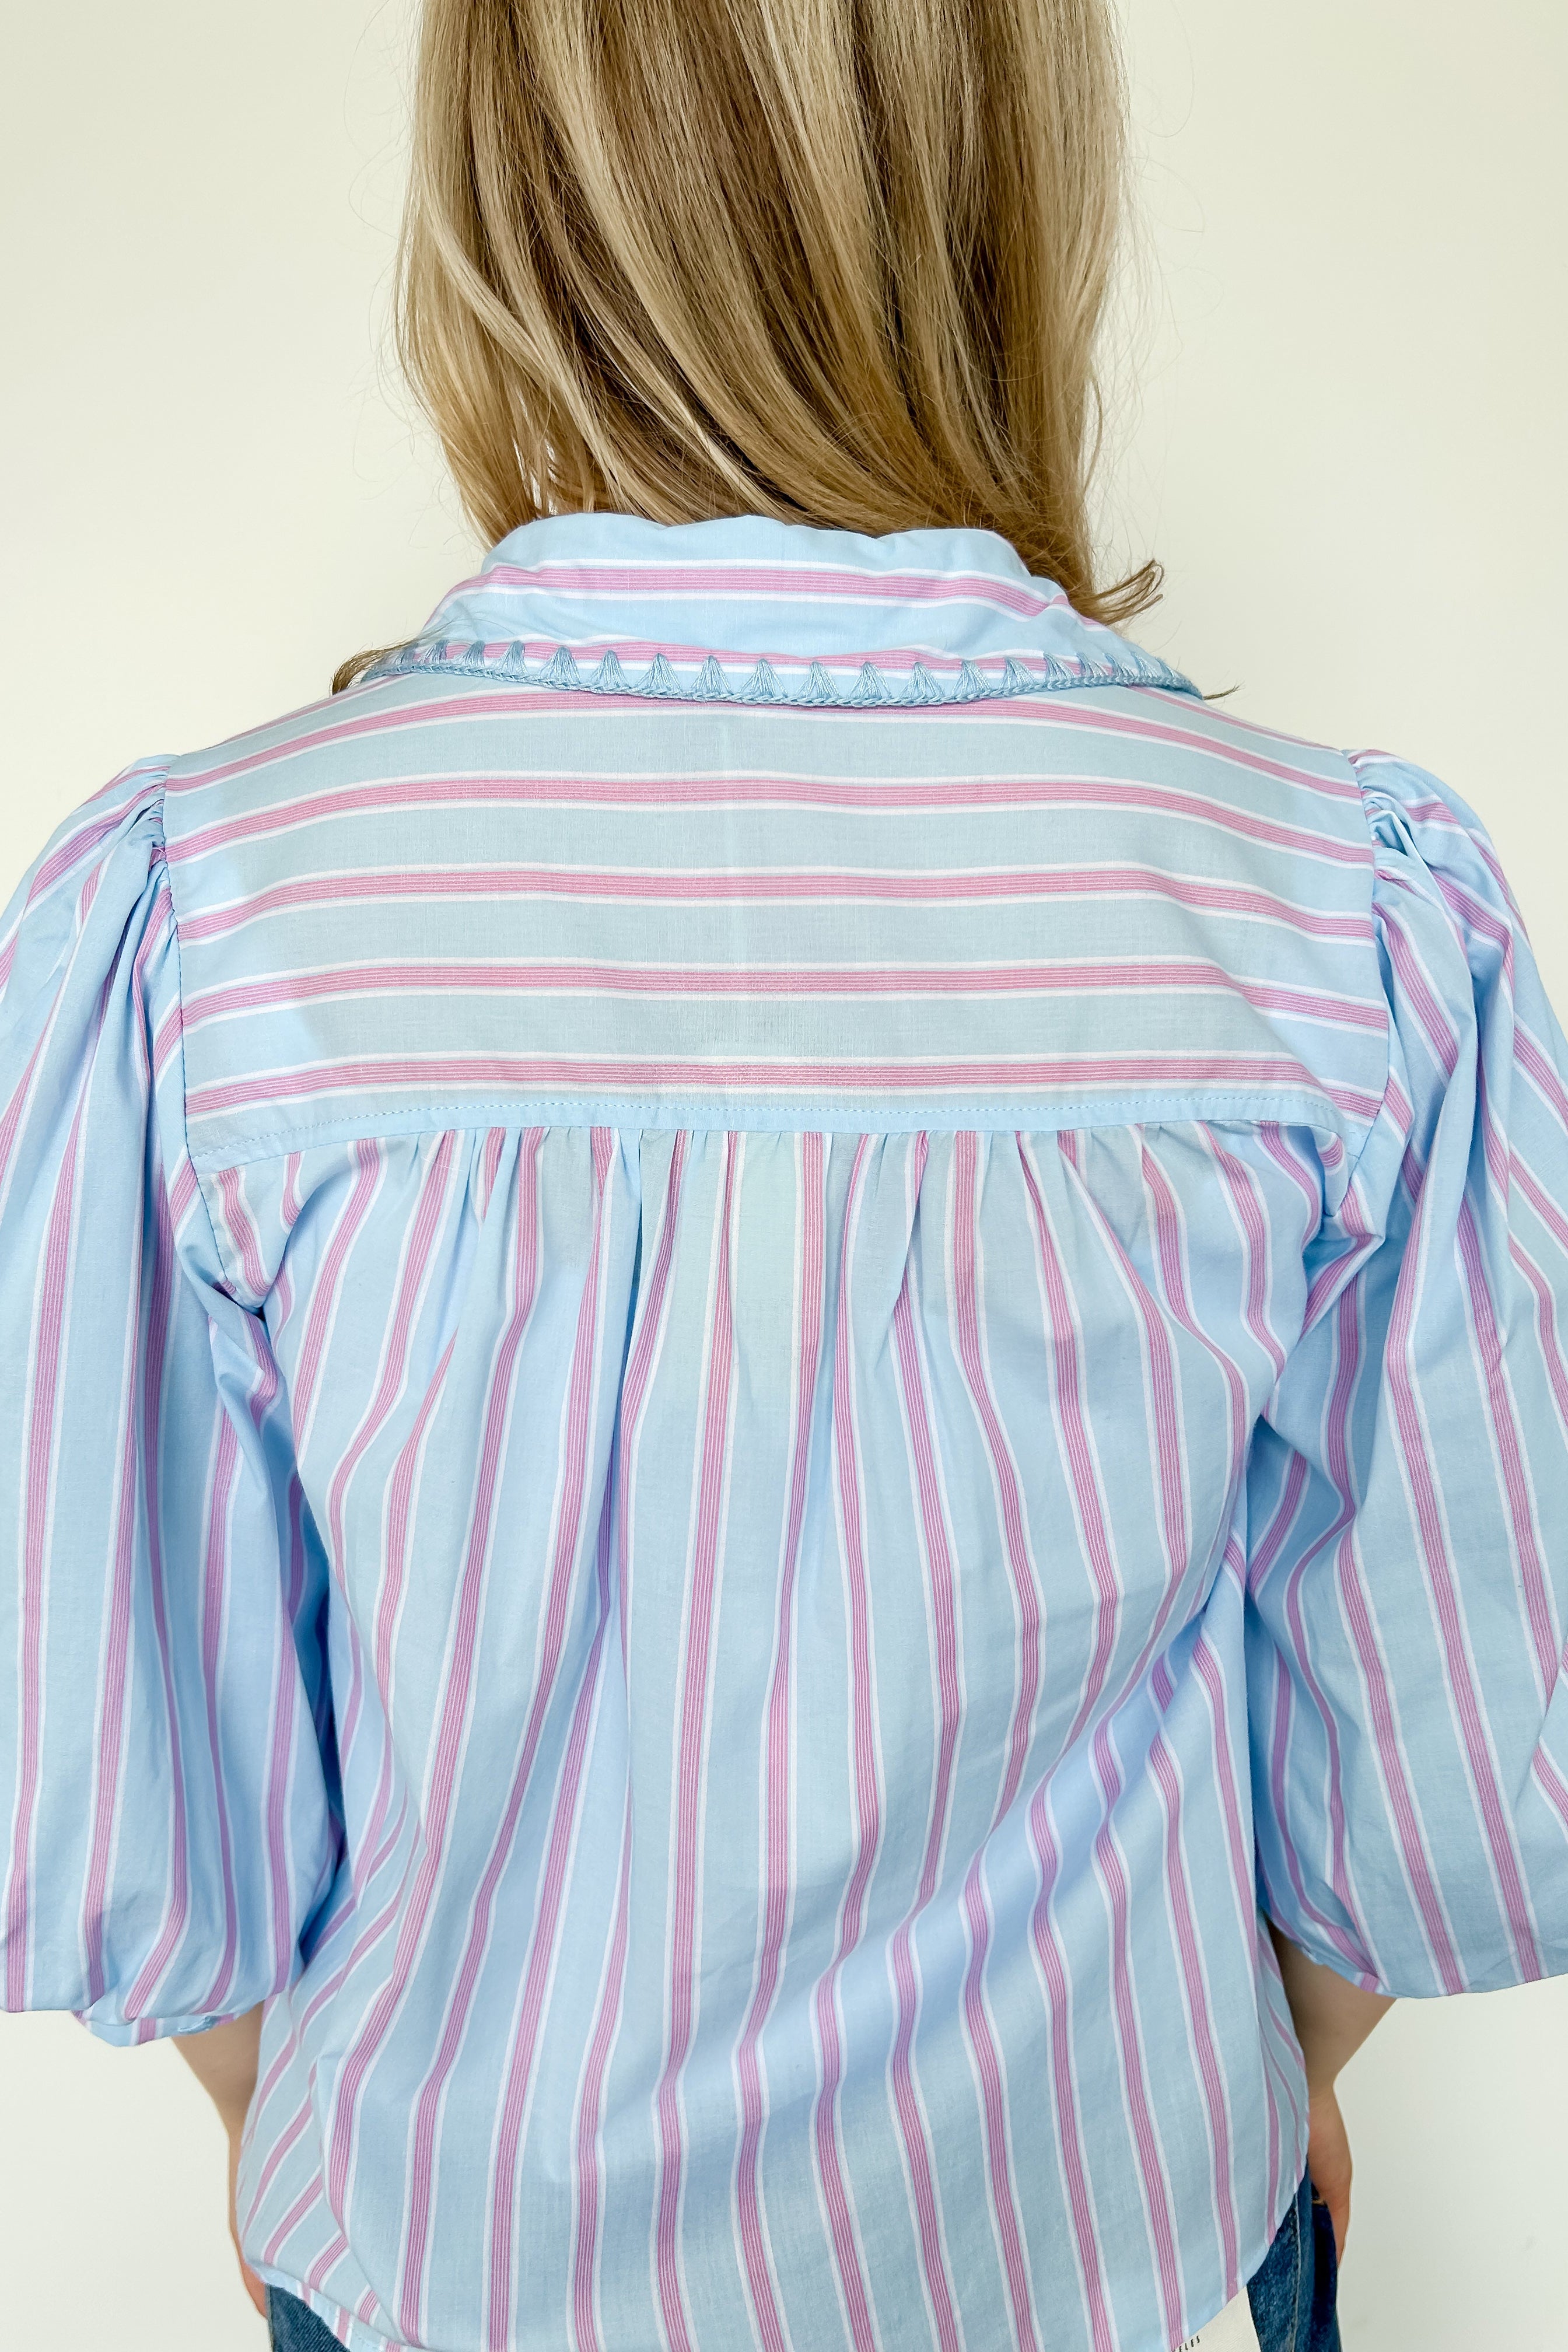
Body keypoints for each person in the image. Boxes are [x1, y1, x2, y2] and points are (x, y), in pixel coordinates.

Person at [2, 2, 1564, 2349]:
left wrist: (315, 2153)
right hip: (1113, 2261)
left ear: (504, 200)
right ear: (1013, 195)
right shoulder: (1331, 916)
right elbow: (1436, 1777)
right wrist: (1261, 2079)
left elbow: (155, 1839)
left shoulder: (206, 920)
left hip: (445, 2275)